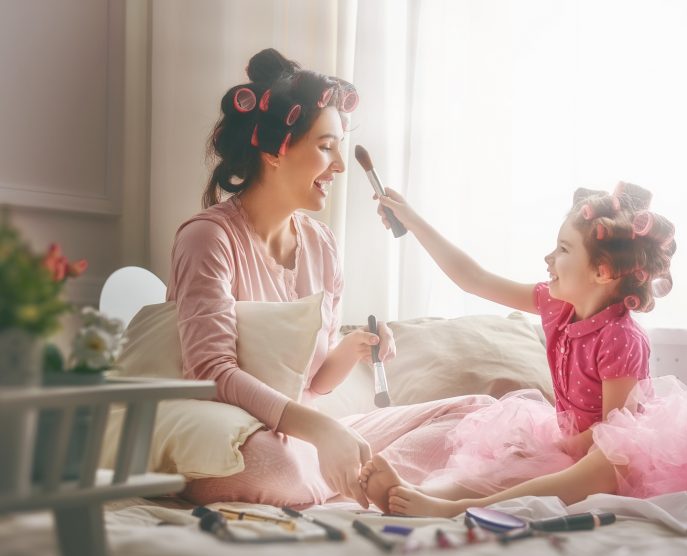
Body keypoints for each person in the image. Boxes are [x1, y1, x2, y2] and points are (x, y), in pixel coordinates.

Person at [167, 48, 497, 508]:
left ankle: (360, 475)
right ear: (274, 151)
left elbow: (312, 383)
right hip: (235, 436)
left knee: (477, 414)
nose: (340, 166)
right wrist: (323, 430)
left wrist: (350, 349)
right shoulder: (208, 239)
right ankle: (369, 478)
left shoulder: (322, 246)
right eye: (326, 147)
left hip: (301, 436)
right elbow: (210, 373)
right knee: (276, 466)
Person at [357, 182, 687, 517]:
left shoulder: (622, 337)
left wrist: (568, 446)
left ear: (602, 272)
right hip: (571, 443)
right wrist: (412, 219)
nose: (548, 258)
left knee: (608, 460)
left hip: (610, 452)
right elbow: (473, 279)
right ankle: (423, 494)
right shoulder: (556, 306)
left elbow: (616, 432)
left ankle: (454, 509)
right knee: (513, 458)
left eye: (563, 249)